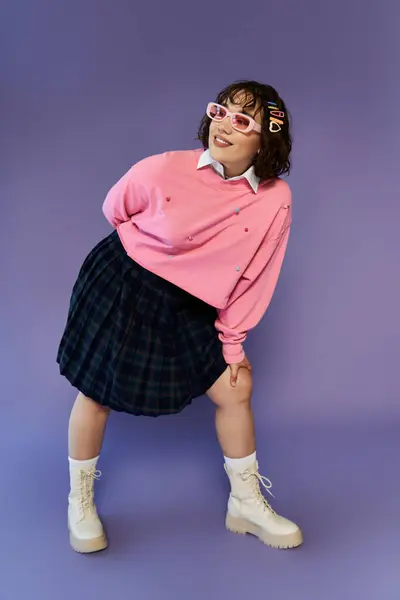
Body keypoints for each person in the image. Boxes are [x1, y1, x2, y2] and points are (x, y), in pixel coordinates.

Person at [57, 79, 303, 554]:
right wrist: (154, 251)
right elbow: (116, 209)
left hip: (191, 301)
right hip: (124, 282)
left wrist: (233, 341)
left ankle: (245, 504)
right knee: (96, 391)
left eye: (242, 119)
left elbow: (255, 275)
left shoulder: (276, 199)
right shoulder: (163, 168)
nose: (224, 125)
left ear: (265, 138)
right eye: (220, 111)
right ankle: (79, 501)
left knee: (237, 388)